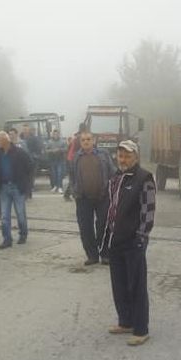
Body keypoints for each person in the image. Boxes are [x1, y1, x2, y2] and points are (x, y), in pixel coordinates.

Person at [99, 140, 155, 346]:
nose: (123, 159)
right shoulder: (115, 178)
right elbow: (110, 208)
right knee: (119, 284)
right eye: (120, 155)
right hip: (115, 240)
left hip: (134, 241)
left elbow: (148, 212)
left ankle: (141, 329)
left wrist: (141, 238)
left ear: (136, 157)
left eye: (127, 156)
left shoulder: (144, 178)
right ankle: (125, 322)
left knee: (137, 286)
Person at [73, 131, 115, 266]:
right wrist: (75, 192)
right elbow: (72, 175)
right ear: (80, 142)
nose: (86, 142)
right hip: (83, 198)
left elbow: (112, 172)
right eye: (83, 140)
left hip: (102, 196)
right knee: (85, 228)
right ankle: (92, 255)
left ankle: (105, 254)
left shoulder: (103, 155)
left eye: (88, 139)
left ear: (94, 140)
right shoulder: (76, 157)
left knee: (104, 225)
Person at [0, 131, 33, 249]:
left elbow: (30, 166)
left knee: (20, 213)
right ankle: (7, 239)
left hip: (17, 186)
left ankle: (23, 234)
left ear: (6, 140)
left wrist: (27, 185)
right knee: (4, 215)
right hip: (3, 188)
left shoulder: (19, 152)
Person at [64, 124, 86, 201]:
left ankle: (71, 194)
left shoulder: (76, 137)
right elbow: (79, 151)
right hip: (73, 160)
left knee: (74, 178)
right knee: (75, 178)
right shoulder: (80, 139)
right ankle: (68, 194)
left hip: (70, 159)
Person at [46, 129, 66, 193]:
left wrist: (59, 149)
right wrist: (52, 151)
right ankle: (55, 186)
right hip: (52, 160)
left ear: (59, 134)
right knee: (54, 174)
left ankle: (60, 187)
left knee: (59, 174)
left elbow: (66, 149)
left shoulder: (62, 141)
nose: (55, 135)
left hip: (60, 160)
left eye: (57, 134)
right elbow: (46, 150)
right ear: (52, 135)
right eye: (54, 134)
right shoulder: (49, 142)